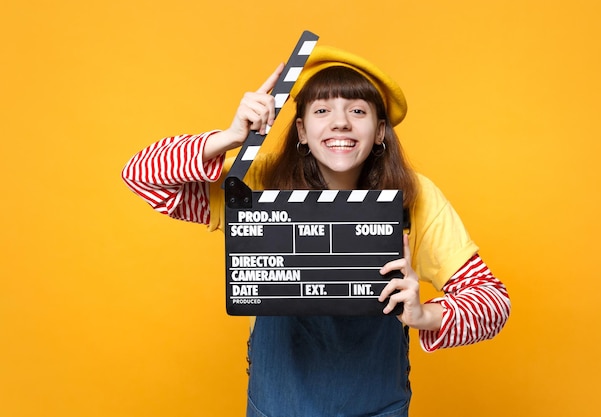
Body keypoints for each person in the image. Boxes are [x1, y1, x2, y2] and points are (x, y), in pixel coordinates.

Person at [122, 44, 511, 417]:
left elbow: (494, 302)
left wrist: (425, 315)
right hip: (276, 406)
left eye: (358, 110)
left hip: (377, 407)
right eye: (322, 109)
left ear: (380, 132)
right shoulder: (256, 184)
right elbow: (142, 176)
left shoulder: (413, 197)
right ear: (302, 131)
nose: (340, 121)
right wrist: (229, 138)